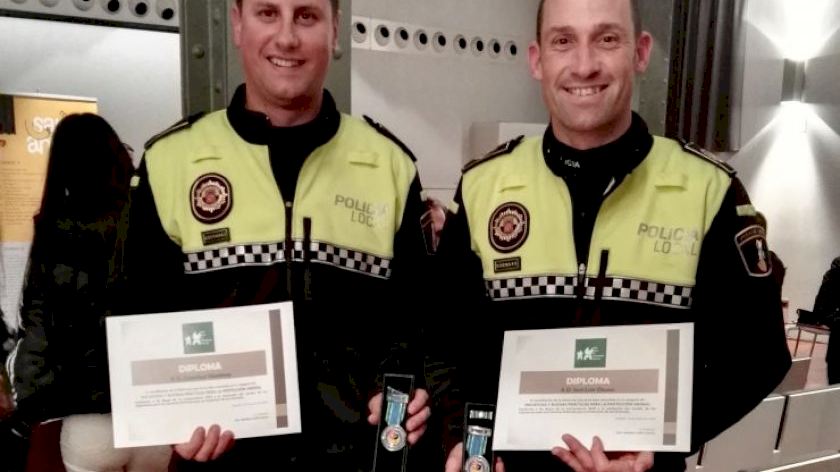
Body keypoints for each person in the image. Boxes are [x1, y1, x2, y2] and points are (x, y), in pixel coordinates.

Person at [438, 0, 791, 471]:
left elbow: (759, 354)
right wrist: (464, 434)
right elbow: (439, 338)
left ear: (640, 52)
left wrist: (663, 442)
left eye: (606, 39)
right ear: (537, 59)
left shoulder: (708, 190)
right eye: (563, 41)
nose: (584, 65)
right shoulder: (483, 187)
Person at [124, 0, 434, 470]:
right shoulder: (171, 162)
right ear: (237, 23)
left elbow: (416, 322)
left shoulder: (389, 165)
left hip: (354, 459)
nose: (287, 37)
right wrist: (173, 417)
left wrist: (400, 387)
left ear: (335, 30)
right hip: (220, 463)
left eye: (306, 15)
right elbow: (138, 313)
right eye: (268, 12)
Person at [5, 113, 171, 471]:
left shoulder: (56, 229)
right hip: (153, 412)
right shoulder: (151, 220)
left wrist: (29, 408)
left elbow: (37, 330)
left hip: (87, 417)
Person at [810, 257, 840, 384]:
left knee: (835, 374)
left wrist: (818, 317)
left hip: (837, 330)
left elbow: (822, 297)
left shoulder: (831, 274)